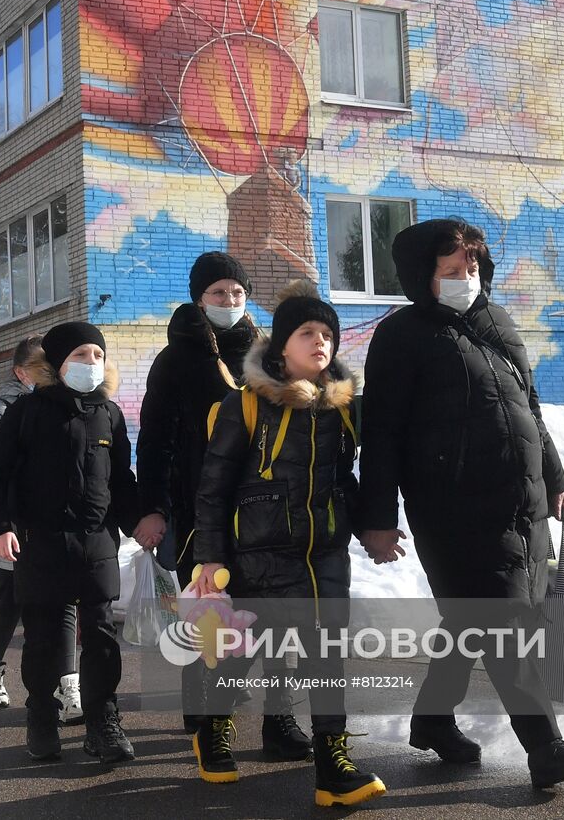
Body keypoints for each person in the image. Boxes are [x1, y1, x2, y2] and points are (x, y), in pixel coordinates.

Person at [359, 218, 564, 790]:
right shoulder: (401, 336)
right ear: (422, 276)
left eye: (471, 268)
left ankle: (433, 720)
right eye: (451, 271)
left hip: (522, 502)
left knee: (471, 622)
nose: (467, 279)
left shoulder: (497, 322)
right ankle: (546, 746)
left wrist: (555, 480)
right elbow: (382, 433)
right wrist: (377, 520)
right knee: (503, 623)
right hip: (451, 509)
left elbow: (530, 411)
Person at [189, 280, 383, 807]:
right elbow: (213, 487)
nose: (320, 342)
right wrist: (209, 556)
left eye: (327, 334)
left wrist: (370, 526)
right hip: (261, 552)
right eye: (306, 332)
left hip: (325, 555)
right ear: (280, 346)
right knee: (246, 651)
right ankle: (213, 726)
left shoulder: (340, 410)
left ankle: (332, 766)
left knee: (326, 655)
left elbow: (346, 479)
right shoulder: (246, 405)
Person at [137, 251, 306, 752]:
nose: (229, 301)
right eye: (218, 293)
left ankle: (280, 721)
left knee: (275, 616)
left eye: (237, 293)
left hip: (269, 509)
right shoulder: (175, 360)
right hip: (201, 510)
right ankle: (208, 712)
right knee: (210, 613)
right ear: (198, 298)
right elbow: (154, 441)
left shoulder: (269, 356)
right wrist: (154, 505)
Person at [0, 321, 141, 764]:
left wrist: (143, 521)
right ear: (56, 363)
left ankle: (103, 722)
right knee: (44, 639)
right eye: (80, 356)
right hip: (40, 543)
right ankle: (42, 716)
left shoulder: (110, 413)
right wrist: (0, 526)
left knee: (102, 637)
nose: (91, 364)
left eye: (97, 356)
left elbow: (121, 480)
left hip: (97, 544)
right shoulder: (26, 413)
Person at [0, 336, 82, 722]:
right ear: (21, 372)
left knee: (61, 602)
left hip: (47, 527)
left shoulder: (60, 403)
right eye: (43, 368)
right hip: (7, 529)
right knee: (10, 600)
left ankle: (67, 684)